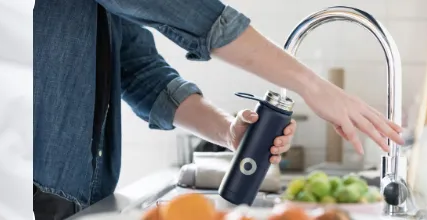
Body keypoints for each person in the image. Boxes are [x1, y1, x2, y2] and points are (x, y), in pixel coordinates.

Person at [33, 1, 405, 219]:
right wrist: (312, 86)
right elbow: (195, 16)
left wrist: (229, 132)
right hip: (26, 183)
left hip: (77, 192)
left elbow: (139, 71)